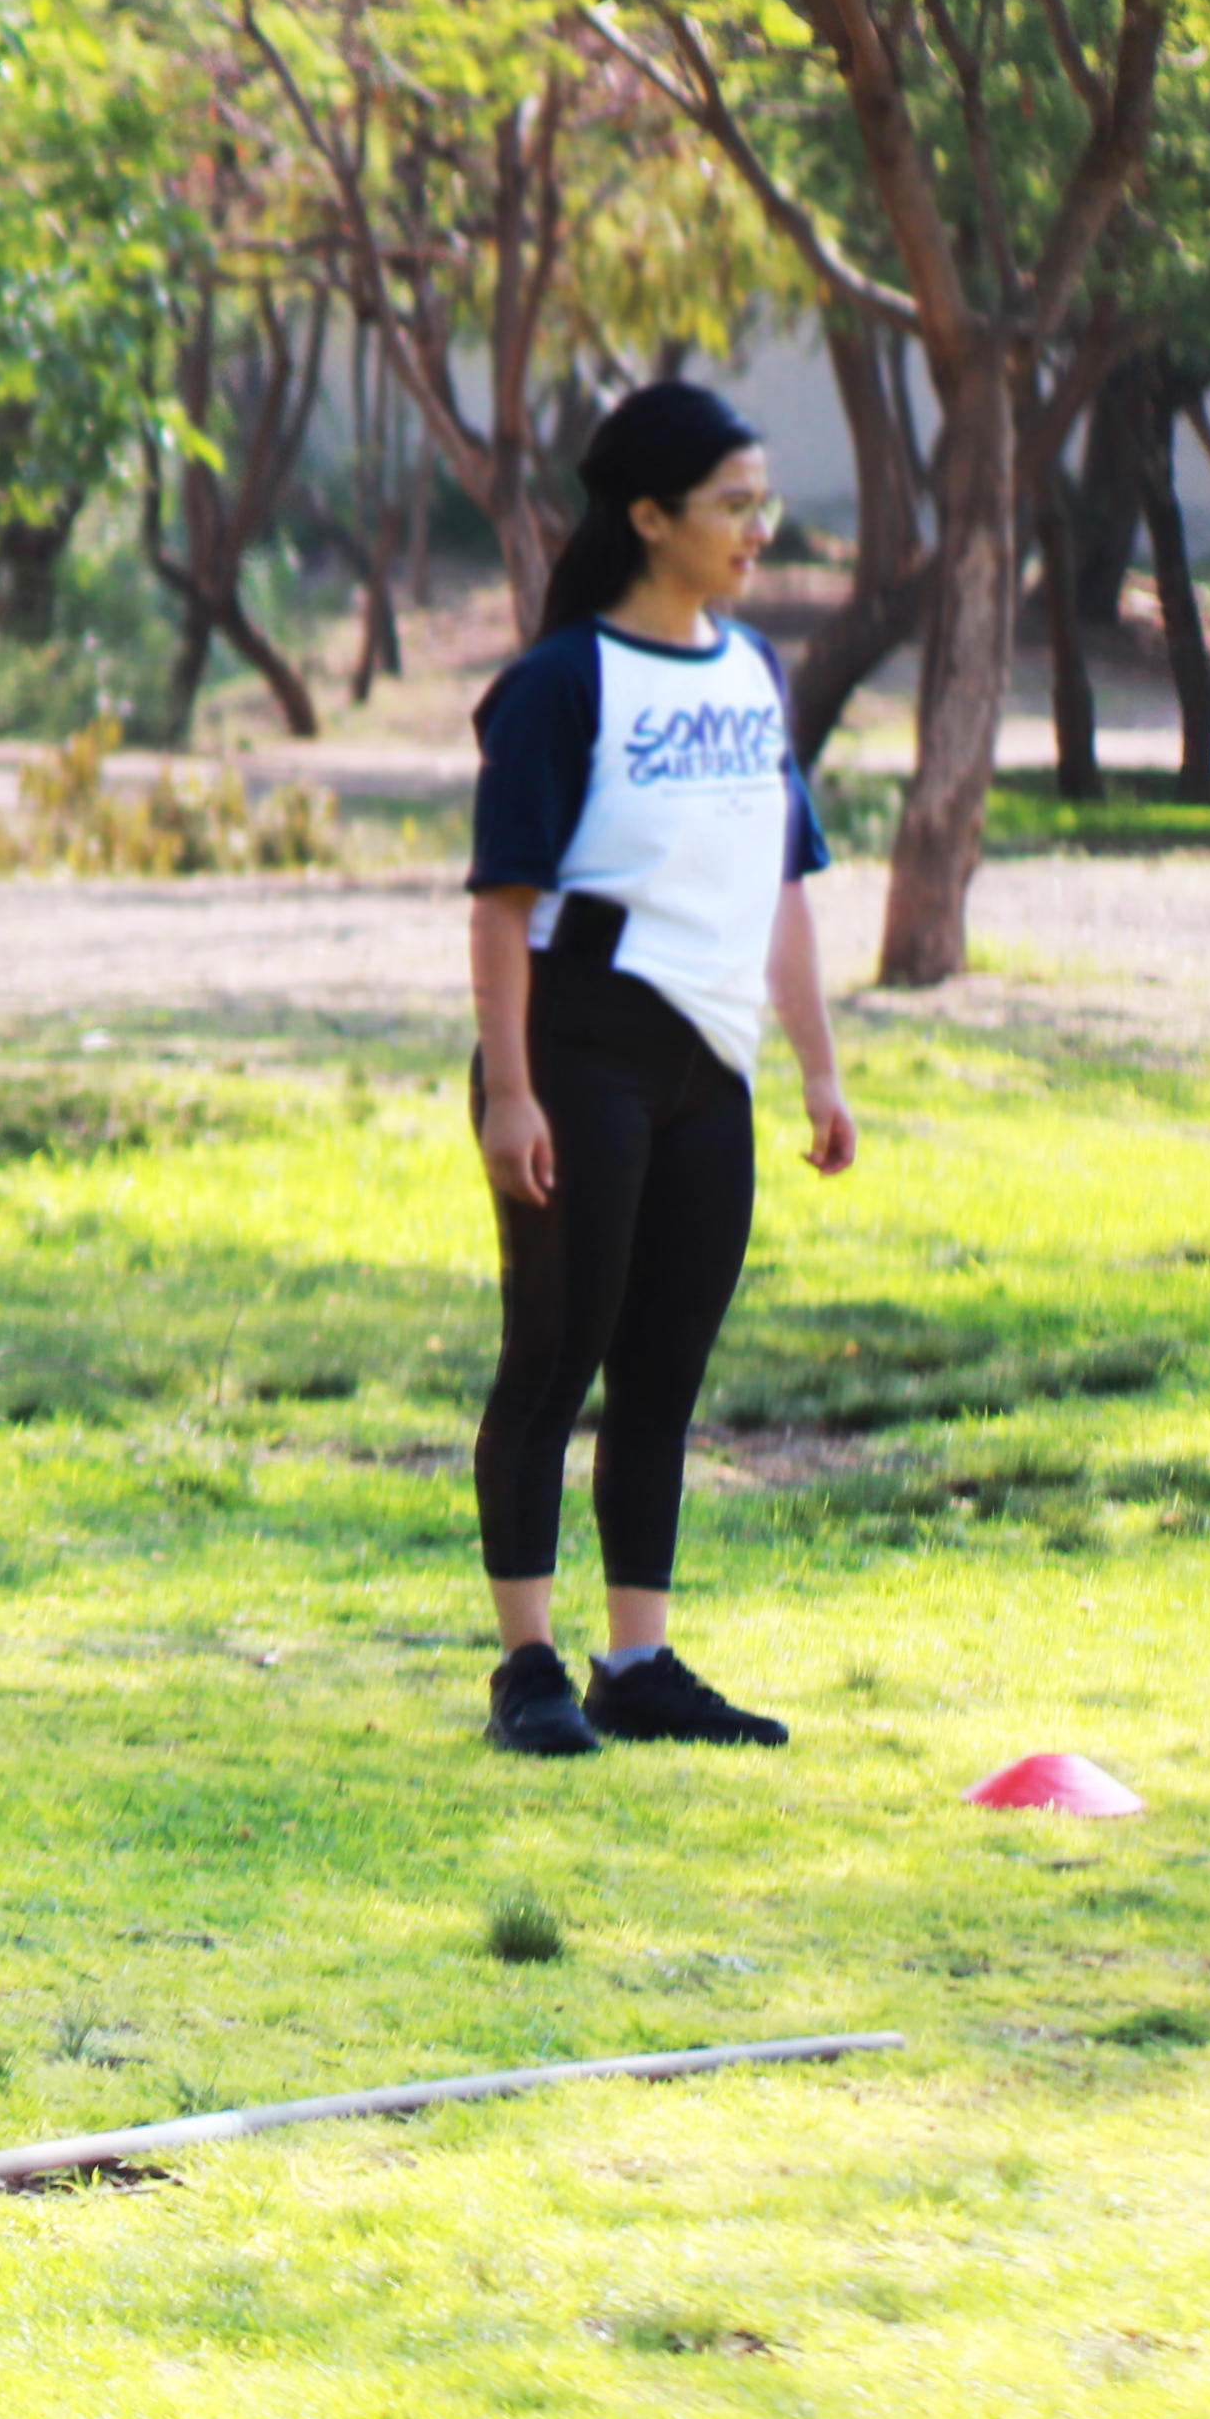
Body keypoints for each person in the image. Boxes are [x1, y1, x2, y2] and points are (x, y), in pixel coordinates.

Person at [465, 377, 860, 1756]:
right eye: (733, 504)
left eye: (764, 502)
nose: (761, 528)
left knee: (665, 1374)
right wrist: (511, 1089)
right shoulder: (561, 685)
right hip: (581, 1045)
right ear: (649, 517)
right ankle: (528, 1669)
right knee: (554, 1358)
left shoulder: (749, 674)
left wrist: (817, 1070)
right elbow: (503, 905)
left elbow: (784, 889)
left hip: (710, 1065)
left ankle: (637, 1663)